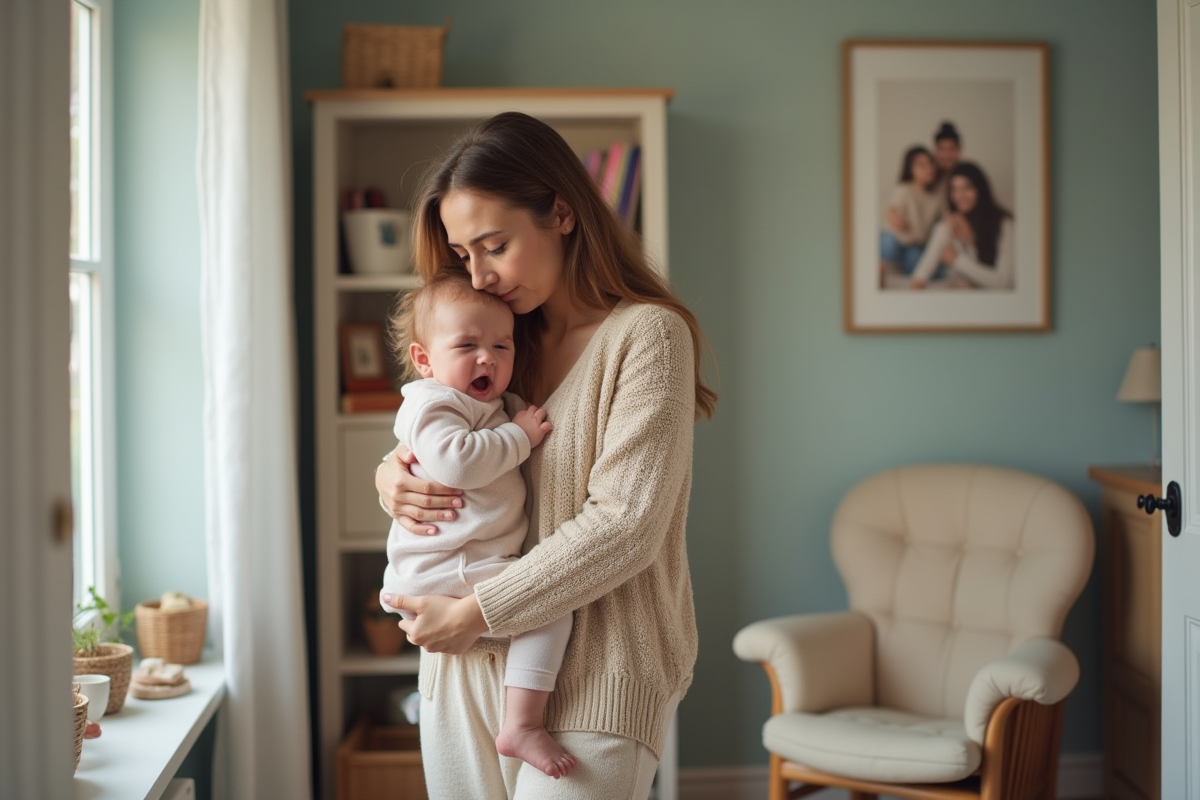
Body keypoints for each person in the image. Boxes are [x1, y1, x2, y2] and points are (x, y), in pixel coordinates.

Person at [375, 110, 716, 799]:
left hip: (600, 666)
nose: (482, 274)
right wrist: (392, 475)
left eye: (494, 245)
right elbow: (432, 427)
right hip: (464, 669)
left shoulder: (647, 337)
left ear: (560, 212)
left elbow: (627, 525)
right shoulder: (497, 346)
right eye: (465, 255)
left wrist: (477, 611)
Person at [380, 271, 576, 779]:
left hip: (466, 560)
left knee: (542, 603)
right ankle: (523, 724)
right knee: (548, 608)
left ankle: (519, 720)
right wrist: (520, 436)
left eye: (501, 345)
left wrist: (513, 423)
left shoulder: (490, 405)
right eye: (467, 344)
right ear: (424, 359)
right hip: (451, 566)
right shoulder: (432, 402)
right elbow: (458, 463)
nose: (487, 357)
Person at [910, 161, 1013, 290]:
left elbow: (1003, 283)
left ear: (980, 188)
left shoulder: (1005, 224)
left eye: (967, 188)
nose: (960, 195)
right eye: (955, 189)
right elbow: (920, 276)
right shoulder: (949, 225)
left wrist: (958, 258)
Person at [880, 145, 943, 276]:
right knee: (888, 242)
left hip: (914, 244)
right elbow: (890, 209)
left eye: (930, 164)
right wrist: (895, 218)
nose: (928, 169)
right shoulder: (905, 189)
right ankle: (881, 270)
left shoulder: (935, 199)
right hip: (897, 237)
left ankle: (898, 268)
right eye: (922, 165)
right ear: (911, 169)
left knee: (915, 260)